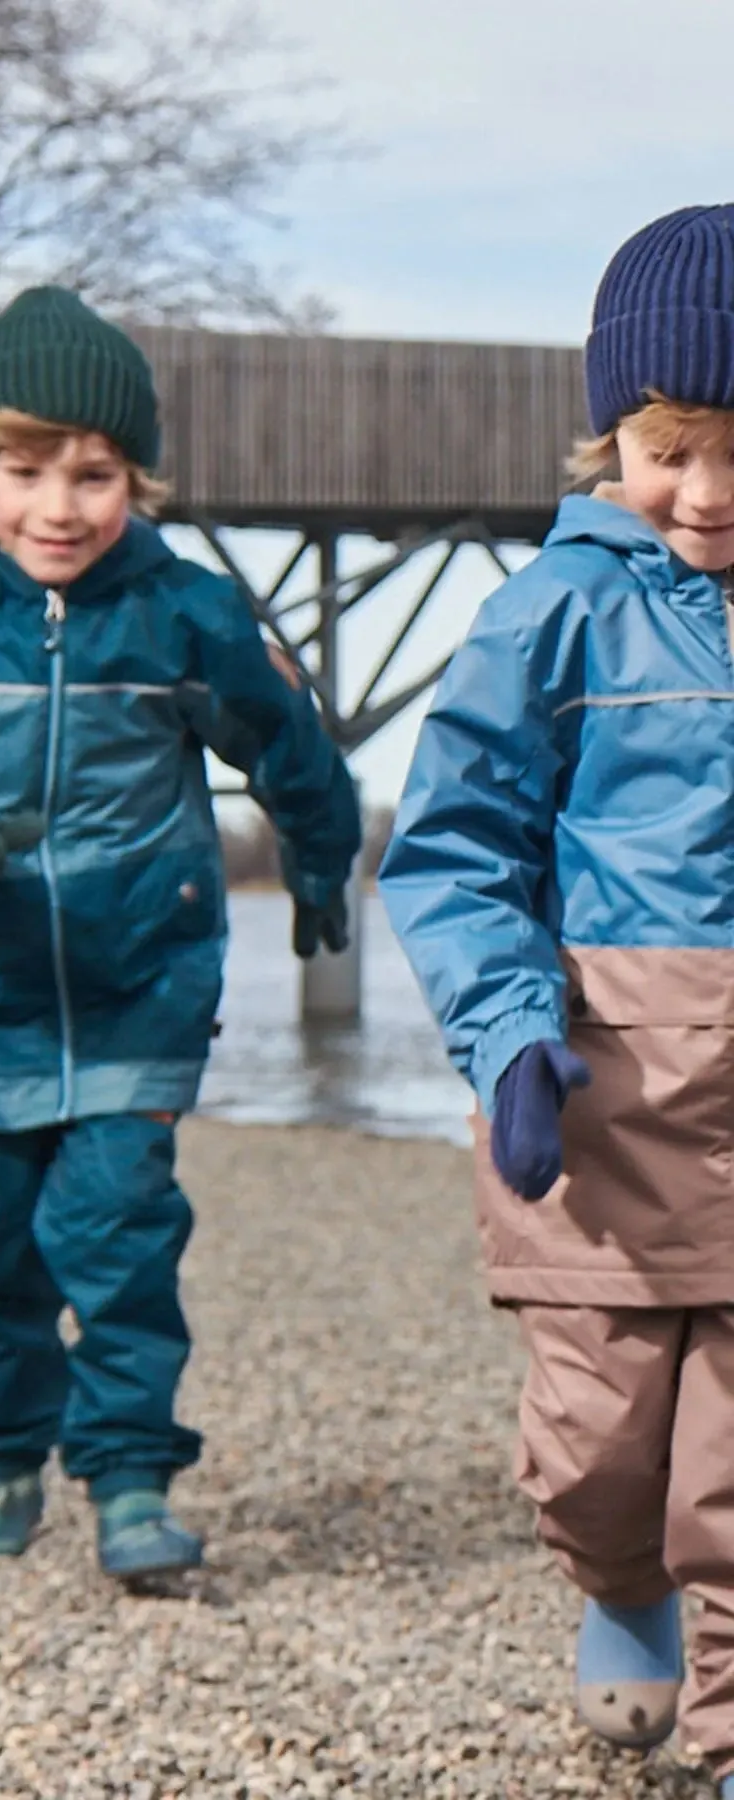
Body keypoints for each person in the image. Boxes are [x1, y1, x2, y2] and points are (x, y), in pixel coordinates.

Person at [0, 285, 360, 1581]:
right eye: (26, 471)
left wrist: (320, 863)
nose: (60, 506)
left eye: (94, 474)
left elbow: (291, 746)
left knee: (118, 1233)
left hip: (138, 983)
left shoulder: (186, 616)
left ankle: (131, 1480)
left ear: (136, 480)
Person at [380, 204, 734, 1788]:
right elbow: (456, 850)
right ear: (615, 440)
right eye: (675, 448)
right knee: (603, 1462)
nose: (711, 494)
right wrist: (510, 1029)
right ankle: (617, 1587)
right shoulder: (551, 615)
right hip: (597, 1112)